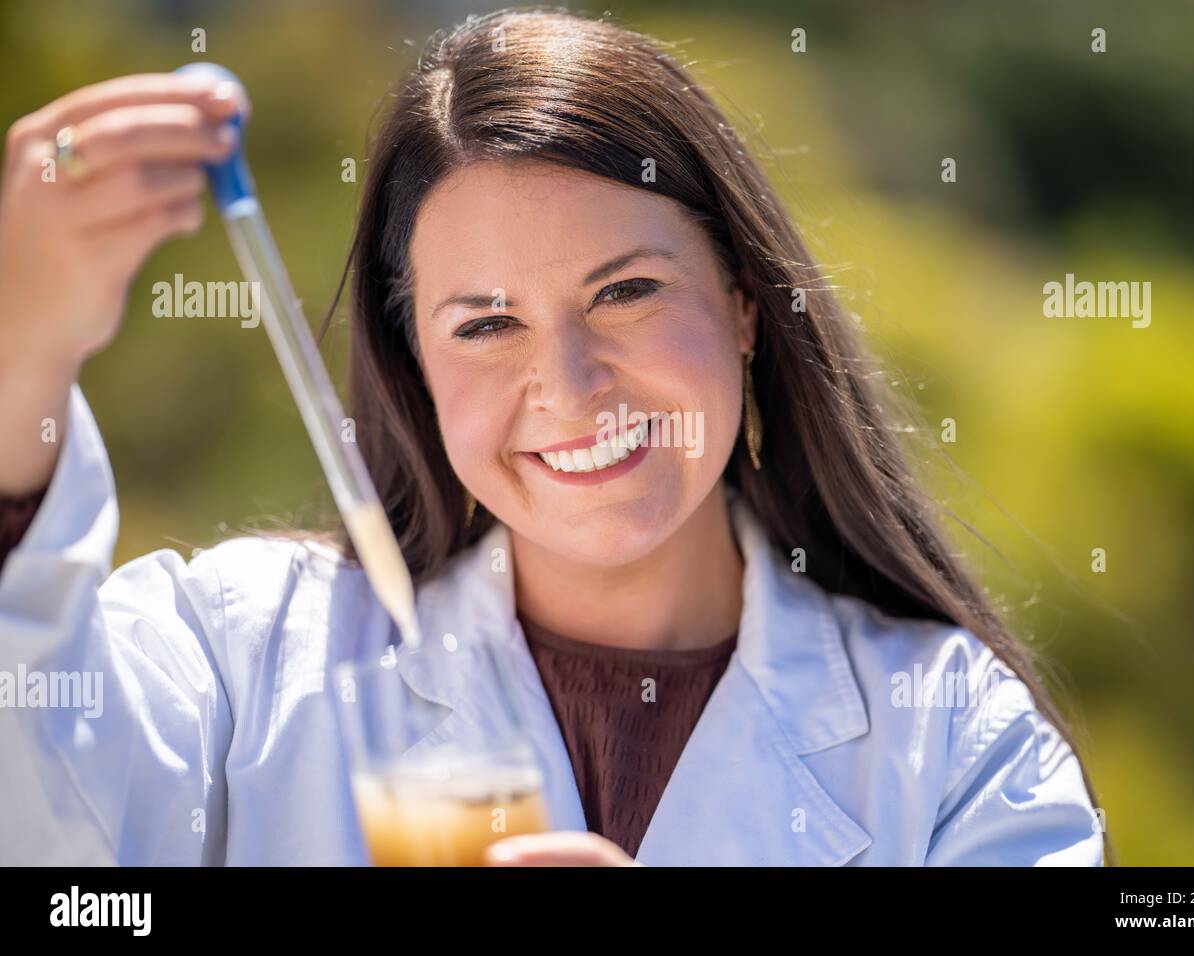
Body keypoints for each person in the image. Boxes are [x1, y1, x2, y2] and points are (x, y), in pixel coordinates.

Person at [0, 8, 1105, 866]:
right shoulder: (244, 656)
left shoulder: (950, 734)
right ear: (416, 367)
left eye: (625, 291)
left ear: (743, 303)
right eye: (484, 323)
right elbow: (38, 808)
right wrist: (21, 348)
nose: (567, 388)